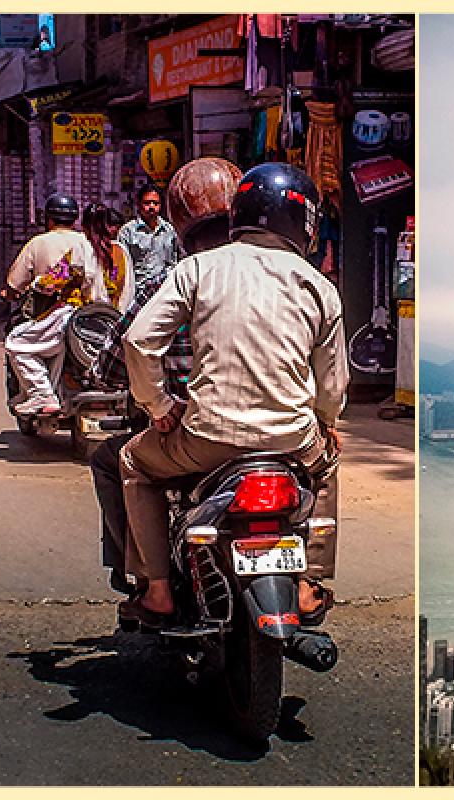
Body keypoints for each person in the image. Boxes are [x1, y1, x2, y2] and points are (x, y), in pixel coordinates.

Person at [117, 163, 348, 625]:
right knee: (327, 464)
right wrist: (325, 422)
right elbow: (333, 385)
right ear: (305, 226)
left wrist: (160, 407)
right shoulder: (319, 286)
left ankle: (158, 590)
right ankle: (310, 583)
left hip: (205, 439)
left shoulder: (198, 269)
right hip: (290, 444)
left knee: (132, 462)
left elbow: (139, 342)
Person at [87, 158, 243, 593]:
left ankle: (149, 581)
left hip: (196, 432)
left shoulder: (178, 280)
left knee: (117, 460)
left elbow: (126, 349)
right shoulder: (278, 278)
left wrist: (159, 406)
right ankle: (311, 582)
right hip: (280, 430)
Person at [4, 193, 97, 415]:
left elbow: (15, 282)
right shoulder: (88, 242)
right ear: (75, 220)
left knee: (16, 343)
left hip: (54, 314)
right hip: (89, 316)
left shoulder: (38, 243)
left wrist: (9, 292)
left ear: (49, 219)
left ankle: (40, 394)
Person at [115, 184, 182, 307]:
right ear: (139, 205)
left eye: (155, 203)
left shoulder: (170, 230)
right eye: (147, 203)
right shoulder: (128, 232)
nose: (151, 207)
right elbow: (121, 267)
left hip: (164, 294)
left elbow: (177, 260)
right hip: (137, 297)